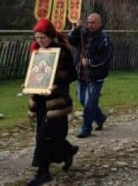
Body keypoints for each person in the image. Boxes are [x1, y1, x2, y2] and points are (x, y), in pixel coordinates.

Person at [26, 19, 79, 186]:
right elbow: (34, 72)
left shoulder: (62, 51)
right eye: (37, 37)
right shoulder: (36, 50)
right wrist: (29, 83)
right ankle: (67, 151)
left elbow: (72, 74)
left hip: (56, 100)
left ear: (50, 36)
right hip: (40, 99)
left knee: (45, 136)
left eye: (42, 37)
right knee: (48, 135)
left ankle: (43, 172)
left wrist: (56, 83)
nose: (39, 41)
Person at [68, 13, 113, 138]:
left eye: (93, 22)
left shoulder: (104, 38)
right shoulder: (83, 34)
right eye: (88, 22)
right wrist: (76, 28)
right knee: (83, 100)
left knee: (89, 103)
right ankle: (100, 118)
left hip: (96, 76)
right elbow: (70, 40)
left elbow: (106, 57)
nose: (90, 25)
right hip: (82, 74)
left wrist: (90, 62)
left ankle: (86, 128)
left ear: (100, 23)